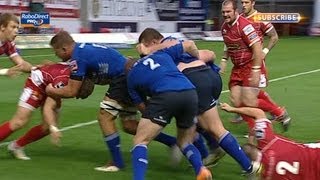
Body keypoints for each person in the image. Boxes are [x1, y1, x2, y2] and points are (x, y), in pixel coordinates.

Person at [45, 30, 180, 172]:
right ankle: (172, 142)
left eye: (56, 52)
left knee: (105, 116)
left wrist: (50, 90)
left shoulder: (77, 57)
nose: (56, 55)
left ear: (64, 49)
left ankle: (116, 162)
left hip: (122, 78)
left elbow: (71, 91)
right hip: (129, 73)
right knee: (130, 125)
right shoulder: (82, 49)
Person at [137, 27, 260, 174]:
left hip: (193, 80)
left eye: (146, 45)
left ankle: (248, 167)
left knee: (210, 128)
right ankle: (211, 152)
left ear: (153, 41)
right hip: (209, 77)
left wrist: (149, 51)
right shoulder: (175, 41)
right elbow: (210, 54)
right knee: (195, 119)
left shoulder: (161, 49)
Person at [126, 41, 212, 180]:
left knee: (140, 141)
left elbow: (143, 108)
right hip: (190, 93)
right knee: (184, 142)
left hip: (165, 95)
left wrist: (160, 115)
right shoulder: (161, 54)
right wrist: (197, 57)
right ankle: (200, 169)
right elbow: (189, 44)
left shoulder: (131, 77)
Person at [219, 0, 290, 141]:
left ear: (253, 3)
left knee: (249, 100)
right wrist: (223, 60)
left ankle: (276, 113)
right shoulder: (226, 26)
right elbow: (228, 43)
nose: (244, 4)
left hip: (253, 64)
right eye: (242, 2)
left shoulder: (255, 20)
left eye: (246, 2)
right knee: (237, 100)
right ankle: (259, 122)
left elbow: (273, 37)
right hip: (238, 66)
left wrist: (263, 53)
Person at [220, 102, 320, 180]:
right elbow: (258, 113)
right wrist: (232, 109)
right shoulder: (267, 141)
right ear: (255, 147)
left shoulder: (267, 176)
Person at [0, 63, 71, 160]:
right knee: (19, 121)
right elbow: (48, 107)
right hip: (37, 84)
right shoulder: (66, 77)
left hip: (53, 86)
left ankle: (16, 146)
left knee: (47, 127)